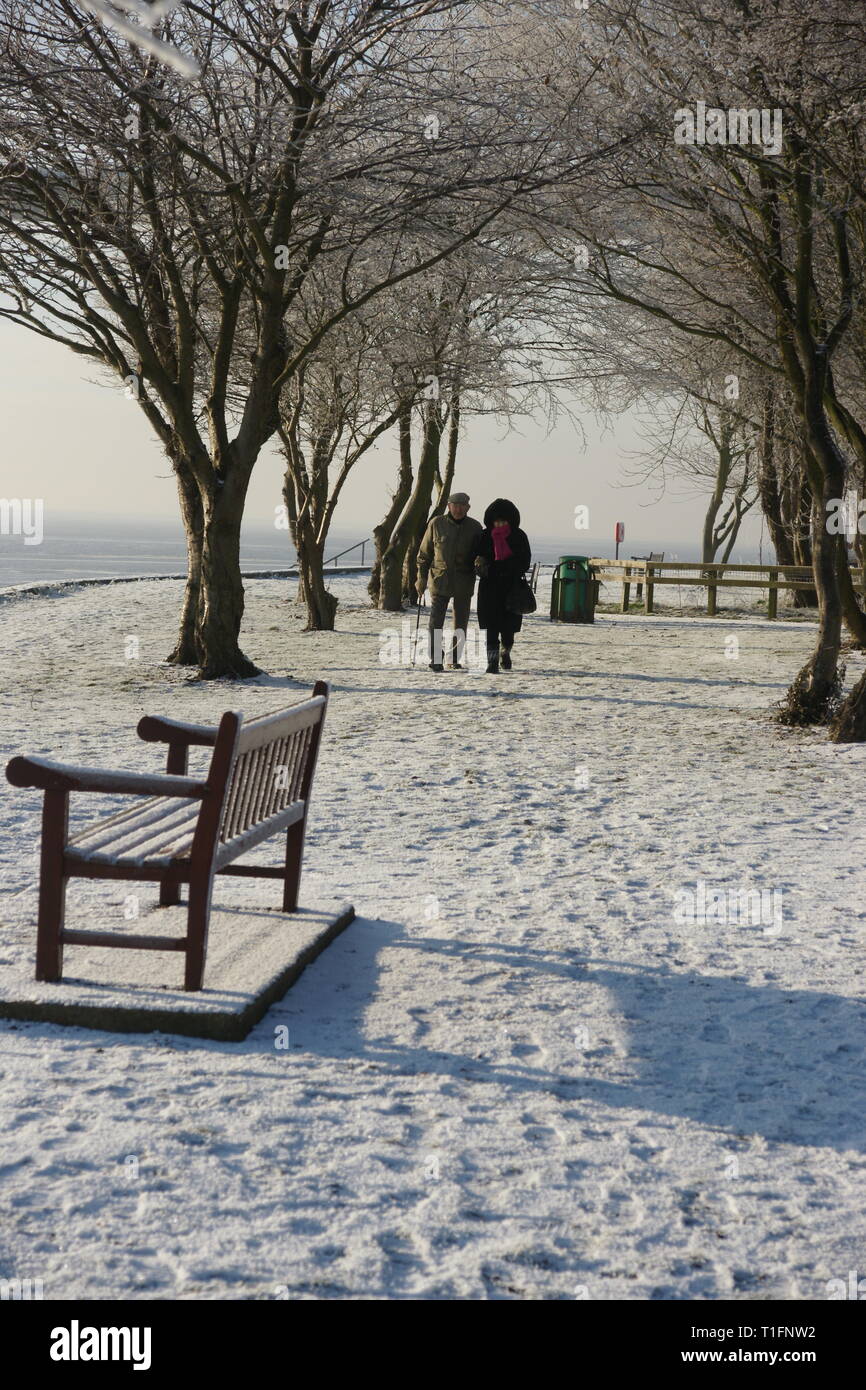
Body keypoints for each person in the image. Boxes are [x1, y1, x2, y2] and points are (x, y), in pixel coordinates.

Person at [416, 491, 484, 671]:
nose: (458, 509)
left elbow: (482, 553)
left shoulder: (475, 528)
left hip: (464, 581)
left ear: (468, 507)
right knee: (435, 621)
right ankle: (435, 658)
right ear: (449, 506)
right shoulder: (436, 523)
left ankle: (454, 658)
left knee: (460, 623)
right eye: (455, 505)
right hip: (440, 581)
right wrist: (421, 577)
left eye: (462, 506)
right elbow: (424, 554)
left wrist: (481, 562)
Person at [471, 498, 532, 673]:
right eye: (496, 521)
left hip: (512, 588)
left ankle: (506, 651)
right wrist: (480, 564)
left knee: (508, 629)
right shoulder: (484, 536)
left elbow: (525, 560)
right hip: (489, 587)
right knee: (490, 627)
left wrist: (509, 568)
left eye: (503, 521)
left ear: (511, 520)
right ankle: (492, 662)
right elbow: (474, 556)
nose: (499, 524)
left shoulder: (519, 536)